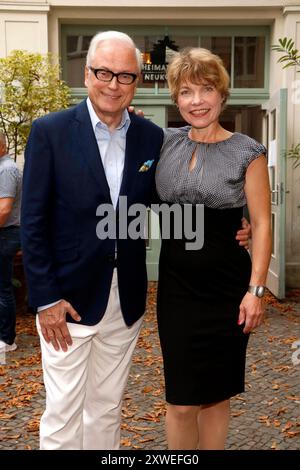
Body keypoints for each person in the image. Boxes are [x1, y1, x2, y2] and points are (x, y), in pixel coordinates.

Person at [21, 31, 250, 450]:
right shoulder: (50, 131)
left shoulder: (151, 138)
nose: (113, 84)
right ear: (86, 74)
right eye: (104, 73)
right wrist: (45, 298)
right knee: (63, 412)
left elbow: (177, 198)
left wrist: (238, 224)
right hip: (67, 299)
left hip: (124, 298)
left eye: (125, 75)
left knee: (107, 408)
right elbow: (32, 220)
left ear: (137, 81)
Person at [155, 48, 271, 450]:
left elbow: (261, 222)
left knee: (217, 395)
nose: (197, 101)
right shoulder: (163, 142)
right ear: (176, 99)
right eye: (186, 92)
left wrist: (256, 290)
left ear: (222, 95)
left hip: (226, 290)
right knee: (182, 401)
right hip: (175, 290)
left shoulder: (247, 151)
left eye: (206, 89)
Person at [0, 130, 22, 354]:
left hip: (6, 234)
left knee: (2, 287)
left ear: (2, 146)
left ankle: (7, 339)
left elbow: (4, 210)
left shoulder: (6, 170)